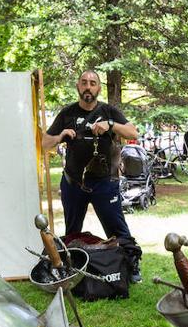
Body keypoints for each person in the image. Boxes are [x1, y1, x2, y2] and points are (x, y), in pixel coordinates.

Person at [41, 69, 141, 281]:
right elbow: (44, 144)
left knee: (116, 228)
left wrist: (110, 125)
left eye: (92, 83)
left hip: (104, 183)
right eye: (84, 82)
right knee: (72, 231)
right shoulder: (67, 113)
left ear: (98, 88)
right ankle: (72, 269)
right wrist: (60, 136)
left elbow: (133, 133)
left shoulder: (108, 111)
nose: (88, 87)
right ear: (78, 86)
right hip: (73, 183)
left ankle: (131, 266)